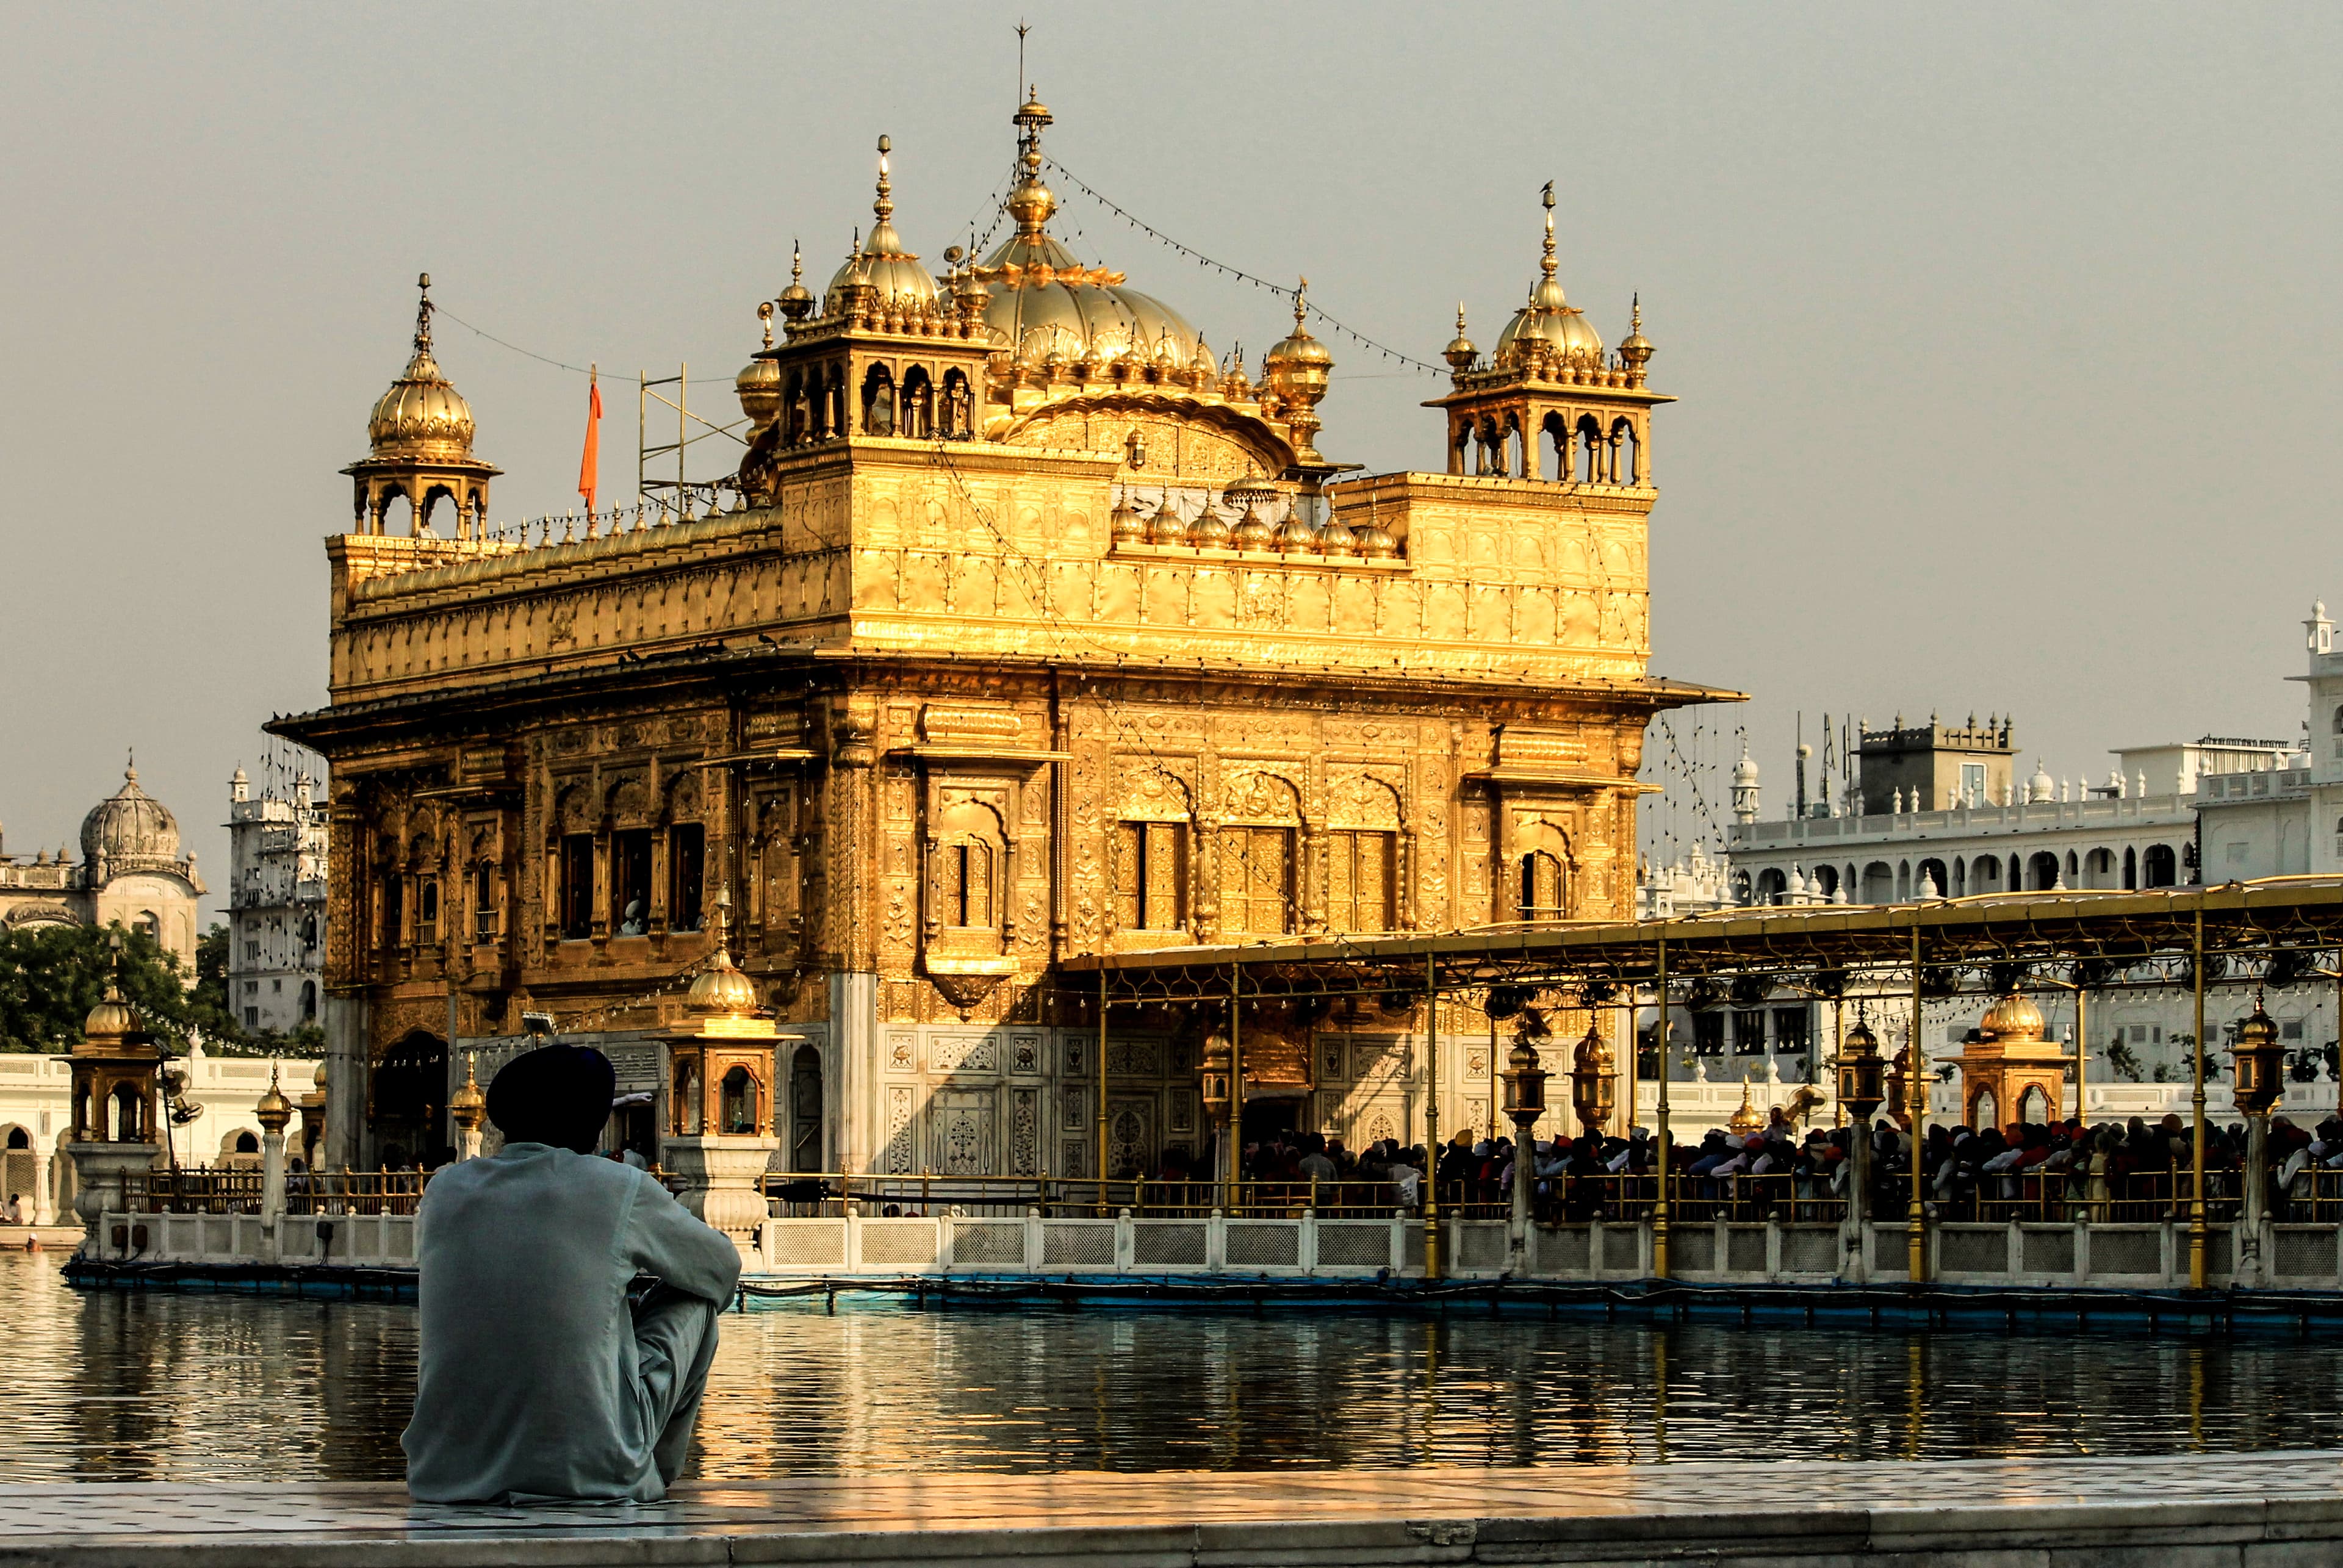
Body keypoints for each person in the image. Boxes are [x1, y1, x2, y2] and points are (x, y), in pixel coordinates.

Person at [402, 1043, 741, 1504]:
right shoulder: (617, 1185)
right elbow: (722, 1271)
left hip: (442, 1475)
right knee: (695, 1296)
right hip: (588, 1473)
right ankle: (644, 1472)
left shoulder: (445, 1189)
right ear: (594, 1123)